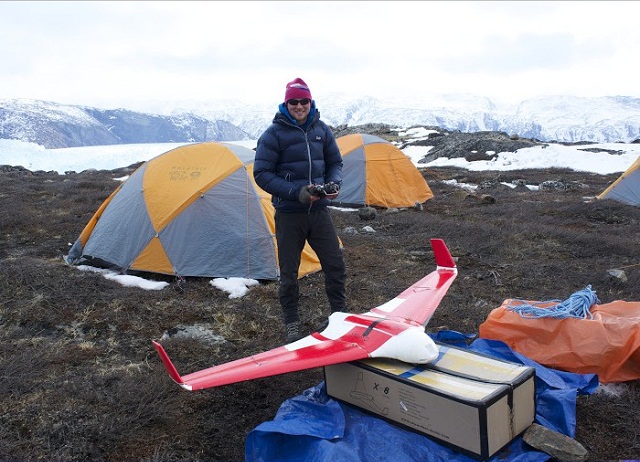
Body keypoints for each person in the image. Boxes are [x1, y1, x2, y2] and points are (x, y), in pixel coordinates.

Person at [253, 77, 347, 343]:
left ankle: (339, 315)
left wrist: (334, 183)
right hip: (289, 214)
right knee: (289, 273)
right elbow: (261, 174)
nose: (299, 106)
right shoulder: (273, 134)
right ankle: (292, 322)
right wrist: (297, 192)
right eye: (293, 101)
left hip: (319, 212)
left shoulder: (322, 130)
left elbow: (335, 162)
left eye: (303, 101)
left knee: (335, 265)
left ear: (310, 102)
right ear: (286, 103)